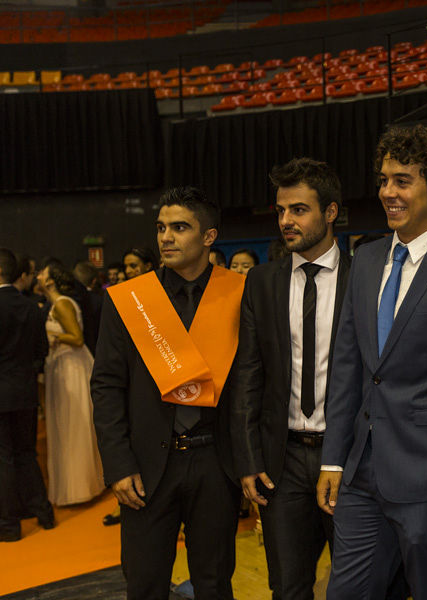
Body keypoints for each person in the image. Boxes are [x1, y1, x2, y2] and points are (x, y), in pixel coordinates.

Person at [317, 125, 427, 600]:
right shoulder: (367, 258)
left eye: (402, 180)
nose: (387, 193)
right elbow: (349, 368)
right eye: (383, 180)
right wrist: (334, 460)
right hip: (360, 471)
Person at [91, 186, 245, 599]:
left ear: (209, 237)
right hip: (145, 466)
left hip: (217, 463)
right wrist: (118, 464)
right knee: (144, 584)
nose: (166, 237)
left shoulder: (240, 294)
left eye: (179, 227)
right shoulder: (131, 300)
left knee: (214, 583)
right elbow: (106, 384)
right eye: (161, 227)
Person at [231, 158, 350, 600]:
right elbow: (248, 374)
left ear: (331, 212)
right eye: (281, 211)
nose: (286, 221)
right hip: (283, 462)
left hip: (350, 458)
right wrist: (248, 458)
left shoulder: (367, 275)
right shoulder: (261, 281)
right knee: (287, 586)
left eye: (298, 210)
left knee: (361, 585)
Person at [34, 261, 105, 506]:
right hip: (62, 365)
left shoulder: (63, 303)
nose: (38, 276)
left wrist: (52, 335)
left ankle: (80, 487)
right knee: (69, 425)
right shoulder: (58, 303)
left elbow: (76, 338)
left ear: (51, 280)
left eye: (42, 273)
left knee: (72, 425)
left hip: (70, 367)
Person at [0, 249, 53, 542]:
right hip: (25, 390)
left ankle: (9, 525)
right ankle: (43, 513)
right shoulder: (32, 307)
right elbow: (40, 352)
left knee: (4, 457)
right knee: (26, 453)